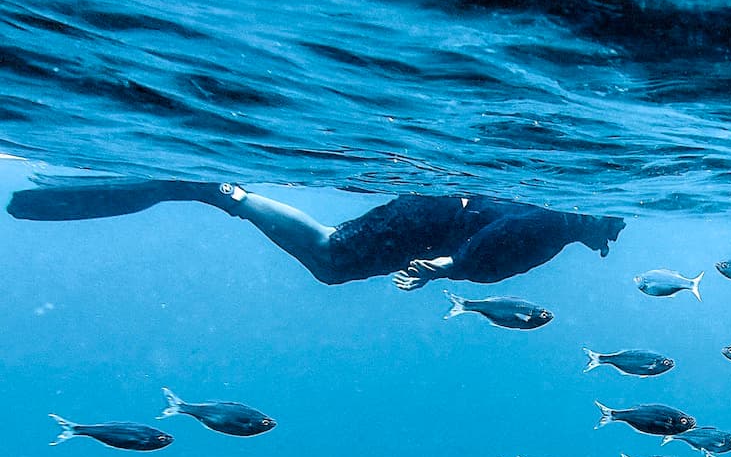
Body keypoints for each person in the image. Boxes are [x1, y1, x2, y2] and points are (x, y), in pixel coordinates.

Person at [7, 178, 626, 289]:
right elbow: (501, 244)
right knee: (330, 257)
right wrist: (451, 268)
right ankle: (222, 194)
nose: (614, 233)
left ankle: (226, 196)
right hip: (428, 221)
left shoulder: (562, 225)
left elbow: (501, 248)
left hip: (431, 221)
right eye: (612, 223)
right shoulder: (553, 221)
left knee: (332, 262)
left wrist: (453, 266)